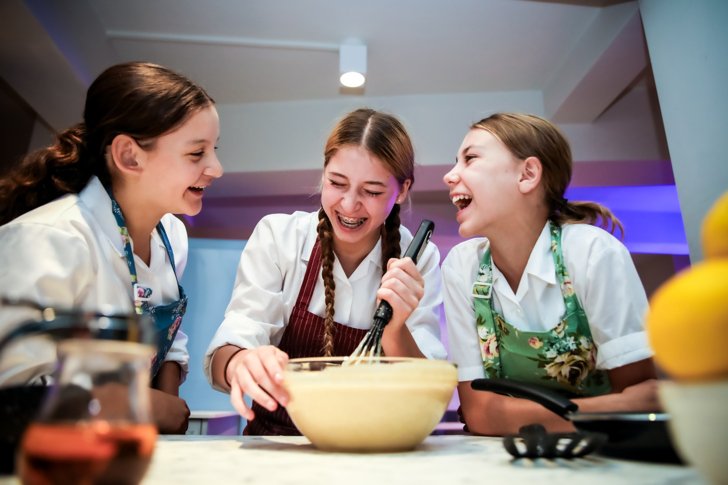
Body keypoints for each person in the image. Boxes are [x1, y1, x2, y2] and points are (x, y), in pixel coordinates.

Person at [0, 61, 223, 433]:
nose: (216, 167)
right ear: (129, 156)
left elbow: (169, 339)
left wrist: (166, 416)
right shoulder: (48, 239)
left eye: (214, 149)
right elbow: (16, 391)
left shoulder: (171, 236)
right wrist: (149, 407)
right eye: (197, 153)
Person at [205, 108, 447, 435]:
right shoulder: (280, 237)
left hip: (372, 450)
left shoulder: (419, 259)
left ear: (402, 190)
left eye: (372, 191)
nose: (349, 205)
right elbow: (239, 331)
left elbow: (425, 390)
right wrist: (238, 362)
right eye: (337, 183)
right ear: (324, 172)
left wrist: (395, 328)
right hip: (276, 449)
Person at [441, 112, 659, 436]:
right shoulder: (461, 267)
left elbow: (643, 407)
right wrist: (610, 407)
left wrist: (505, 414)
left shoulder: (593, 254)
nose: (449, 175)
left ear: (528, 174)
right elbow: (479, 413)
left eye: (469, 158)